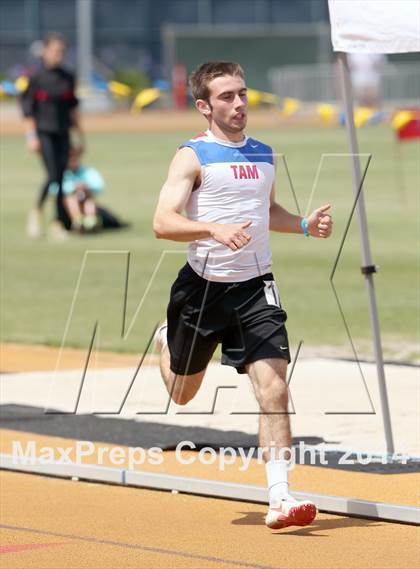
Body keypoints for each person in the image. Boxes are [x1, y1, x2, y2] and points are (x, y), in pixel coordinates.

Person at [153, 61, 333, 530]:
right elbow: (162, 222)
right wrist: (213, 228)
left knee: (274, 387)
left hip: (257, 287)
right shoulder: (191, 156)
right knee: (183, 393)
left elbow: (267, 210)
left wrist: (303, 226)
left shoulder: (264, 154)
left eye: (243, 94)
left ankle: (280, 497)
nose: (239, 104)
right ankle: (164, 340)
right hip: (202, 290)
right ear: (204, 106)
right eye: (227, 97)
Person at [21, 32, 84, 239]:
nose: (58, 55)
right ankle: (36, 211)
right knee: (53, 175)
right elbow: (28, 109)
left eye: (61, 51)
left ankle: (58, 222)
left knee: (61, 176)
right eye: (55, 51)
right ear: (45, 51)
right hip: (44, 132)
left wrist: (80, 137)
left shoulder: (68, 77)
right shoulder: (36, 78)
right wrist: (31, 136)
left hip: (63, 132)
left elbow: (72, 109)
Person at [48, 146, 104, 233]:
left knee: (89, 199)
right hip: (65, 210)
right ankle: (78, 222)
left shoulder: (88, 171)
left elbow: (99, 186)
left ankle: (90, 222)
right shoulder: (60, 174)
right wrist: (72, 188)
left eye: (74, 158)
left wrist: (86, 188)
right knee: (71, 198)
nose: (72, 161)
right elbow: (52, 188)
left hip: (85, 201)